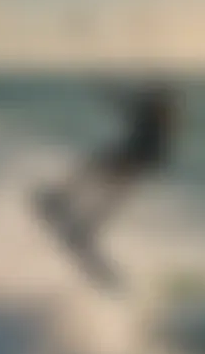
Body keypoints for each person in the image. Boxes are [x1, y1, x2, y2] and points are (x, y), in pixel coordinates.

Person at [43, 80, 179, 242]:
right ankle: (68, 206)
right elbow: (126, 105)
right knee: (102, 179)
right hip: (136, 154)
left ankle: (69, 208)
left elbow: (128, 107)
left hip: (137, 156)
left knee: (104, 182)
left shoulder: (157, 113)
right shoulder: (154, 112)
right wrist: (109, 92)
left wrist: (110, 93)